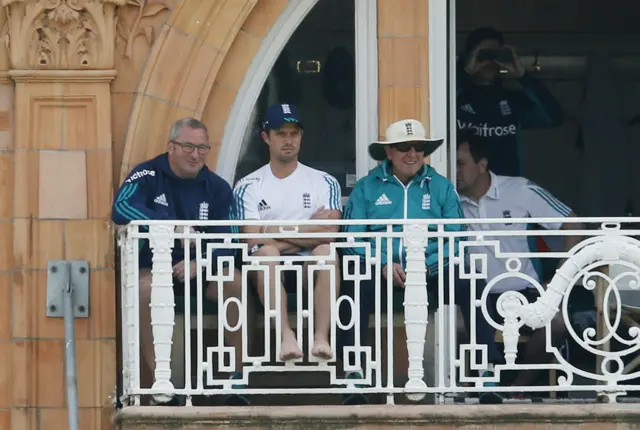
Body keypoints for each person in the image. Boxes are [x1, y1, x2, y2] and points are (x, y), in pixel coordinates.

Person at [340, 119, 503, 404]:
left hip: (432, 272)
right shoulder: (366, 187)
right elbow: (351, 239)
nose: (412, 153)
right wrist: (382, 264)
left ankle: (483, 371)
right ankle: (353, 374)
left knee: (473, 281)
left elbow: (456, 236)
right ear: (389, 151)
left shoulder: (440, 186)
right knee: (352, 288)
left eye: (419, 147)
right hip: (382, 273)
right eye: (404, 147)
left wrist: (427, 266)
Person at [112, 117, 248, 405]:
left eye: (202, 148)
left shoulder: (218, 187)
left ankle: (235, 383)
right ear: (172, 146)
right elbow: (121, 208)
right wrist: (169, 225)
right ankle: (160, 387)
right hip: (154, 268)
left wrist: (204, 263)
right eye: (188, 146)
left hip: (200, 272)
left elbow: (231, 238)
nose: (196, 154)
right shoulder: (147, 174)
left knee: (233, 281)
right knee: (146, 289)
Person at [456, 128, 586, 398]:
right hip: (473, 294)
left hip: (523, 289)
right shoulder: (448, 200)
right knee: (449, 323)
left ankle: (519, 387)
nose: (453, 171)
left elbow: (572, 222)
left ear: (482, 165)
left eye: (460, 163)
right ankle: (470, 388)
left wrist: (559, 277)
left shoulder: (519, 190)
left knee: (558, 323)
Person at [232, 103, 343, 361]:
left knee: (325, 252)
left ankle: (321, 337)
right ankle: (286, 337)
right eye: (281, 133)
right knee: (267, 253)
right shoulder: (248, 185)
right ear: (265, 137)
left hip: (309, 267)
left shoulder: (323, 181)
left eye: (294, 133)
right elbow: (251, 241)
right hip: (266, 271)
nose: (288, 140)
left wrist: (272, 229)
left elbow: (329, 234)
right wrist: (307, 229)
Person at [457, 27, 564, 177]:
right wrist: (465, 72)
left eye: (495, 55)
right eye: (484, 55)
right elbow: (432, 110)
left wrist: (523, 76)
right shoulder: (454, 98)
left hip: (506, 190)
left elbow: (554, 118)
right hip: (462, 188)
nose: (489, 61)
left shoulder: (511, 100)